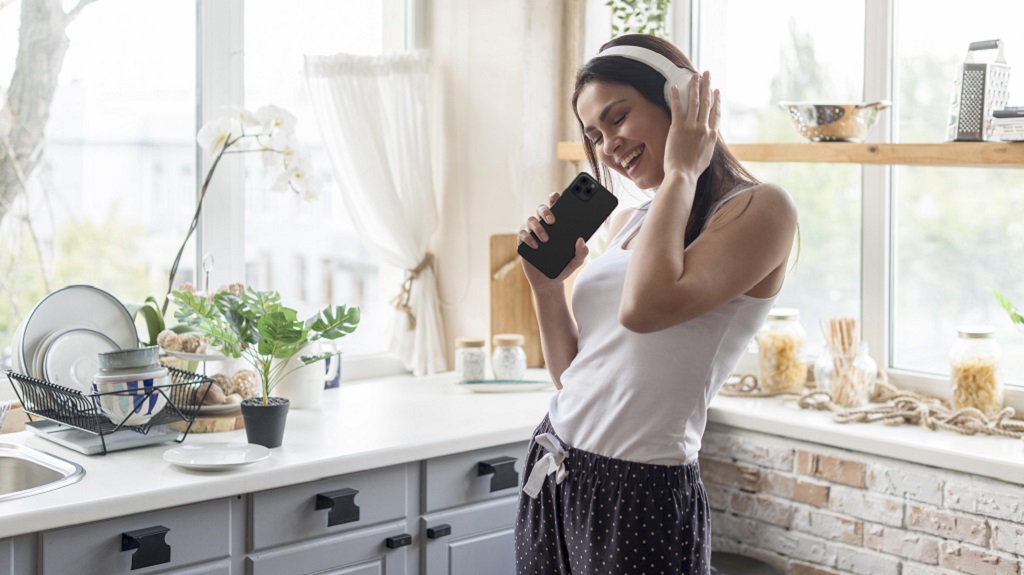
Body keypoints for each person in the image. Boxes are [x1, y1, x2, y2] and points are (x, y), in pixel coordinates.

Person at [513, 34, 798, 574]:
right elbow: (575, 376)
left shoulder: (761, 209)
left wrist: (684, 169)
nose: (608, 146)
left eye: (618, 118)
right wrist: (546, 288)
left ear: (680, 101)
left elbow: (644, 309)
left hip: (638, 490)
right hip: (553, 466)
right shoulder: (633, 220)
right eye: (595, 136)